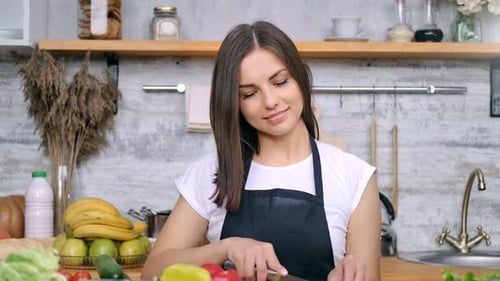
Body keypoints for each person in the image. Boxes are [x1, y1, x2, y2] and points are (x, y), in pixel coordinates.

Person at [141, 21, 381, 281]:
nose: (270, 102)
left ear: (299, 77)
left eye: (280, 82)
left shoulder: (354, 176)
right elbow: (153, 271)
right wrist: (225, 248)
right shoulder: (212, 172)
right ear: (235, 103)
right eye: (249, 94)